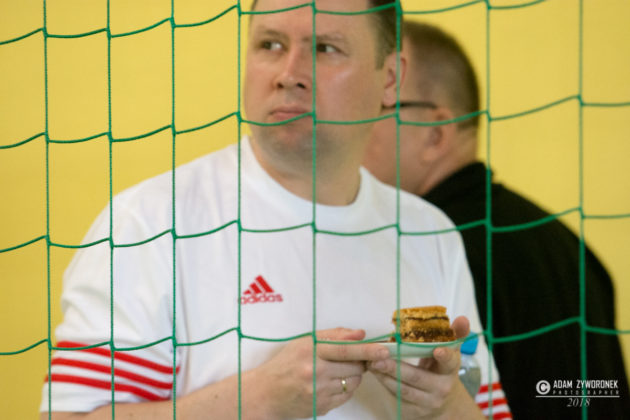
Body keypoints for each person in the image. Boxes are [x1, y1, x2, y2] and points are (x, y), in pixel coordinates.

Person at [40, 2, 511, 419]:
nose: (289, 73)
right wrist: (258, 402)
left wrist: (444, 406)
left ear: (390, 79)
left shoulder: (429, 232)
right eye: (270, 44)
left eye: (324, 48)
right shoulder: (149, 223)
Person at [363, 20, 630, 419]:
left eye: (375, 108)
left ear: (435, 134)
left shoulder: (430, 251)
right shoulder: (565, 242)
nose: (352, 127)